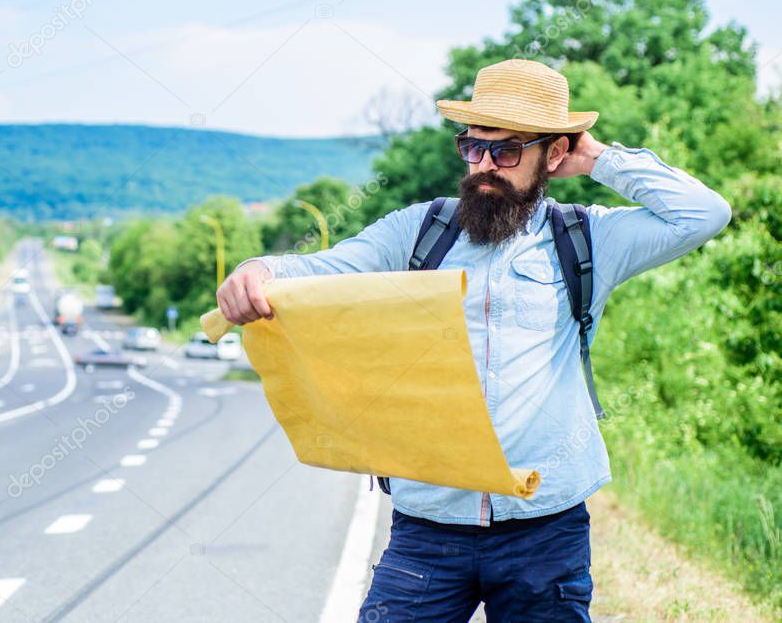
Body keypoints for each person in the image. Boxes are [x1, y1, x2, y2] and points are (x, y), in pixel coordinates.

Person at [214, 59, 731, 622]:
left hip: (546, 531)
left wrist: (598, 157)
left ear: (553, 155)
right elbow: (327, 268)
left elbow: (703, 213)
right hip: (428, 529)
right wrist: (258, 269)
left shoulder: (589, 239)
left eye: (506, 151)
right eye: (472, 147)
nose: (483, 166)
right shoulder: (418, 232)